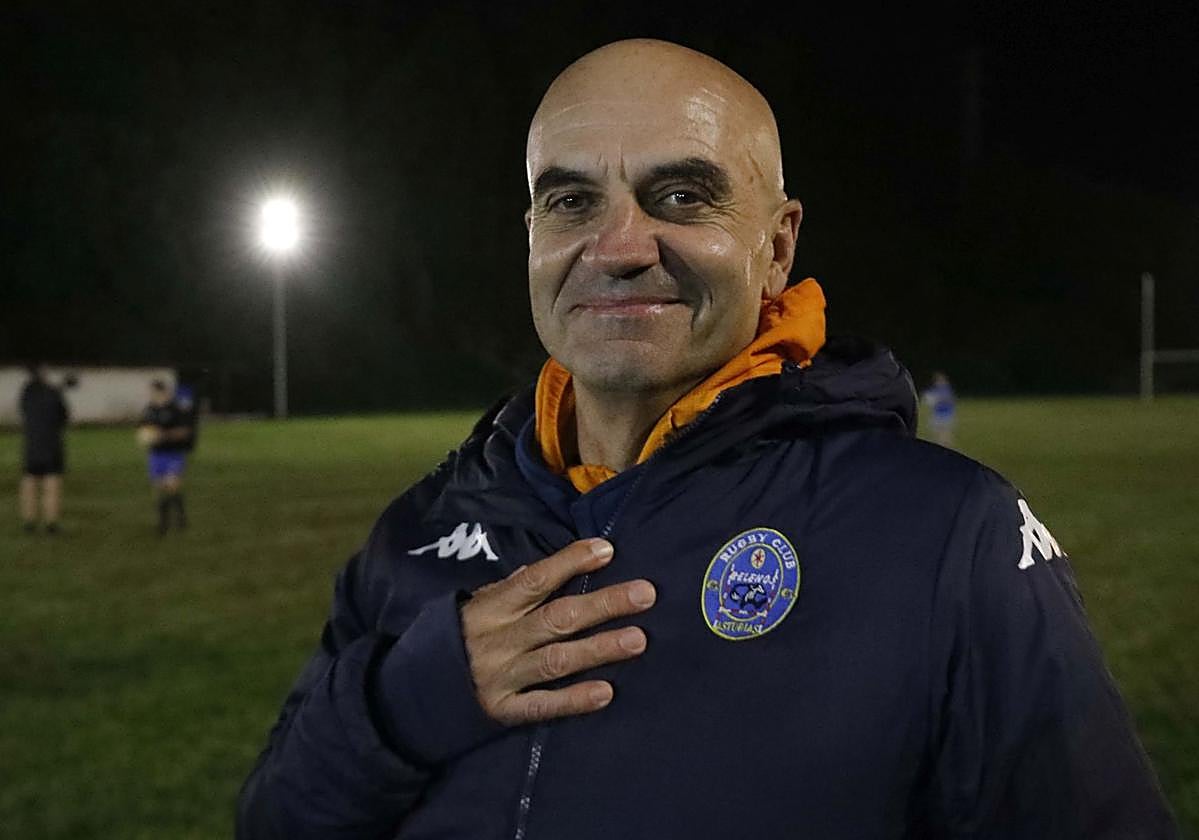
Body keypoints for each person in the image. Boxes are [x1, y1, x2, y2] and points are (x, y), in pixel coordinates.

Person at [238, 40, 1177, 838]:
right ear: (529, 237)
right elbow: (274, 819)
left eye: (681, 196)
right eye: (569, 202)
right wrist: (406, 703)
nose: (617, 247)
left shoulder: (944, 536)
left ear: (776, 246)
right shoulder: (420, 530)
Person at [137, 379, 196, 535]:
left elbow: (185, 431)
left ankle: (174, 520)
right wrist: (144, 436)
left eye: (153, 392)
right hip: (156, 455)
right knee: (159, 489)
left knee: (172, 485)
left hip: (174, 454)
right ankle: (165, 521)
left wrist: (163, 435)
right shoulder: (149, 410)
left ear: (162, 392)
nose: (150, 395)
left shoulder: (176, 409)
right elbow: (143, 429)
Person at [18, 364, 69, 534]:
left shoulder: (26, 394)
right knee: (51, 485)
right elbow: (64, 417)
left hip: (31, 446)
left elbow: (24, 413)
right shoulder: (53, 393)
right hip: (51, 445)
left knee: (29, 483)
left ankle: (29, 522)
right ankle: (51, 523)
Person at [922, 370, 957, 447]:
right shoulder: (936, 389)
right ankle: (941, 445)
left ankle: (945, 445)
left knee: (945, 432)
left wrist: (936, 400)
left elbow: (948, 400)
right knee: (938, 431)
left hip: (945, 413)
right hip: (938, 413)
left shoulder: (945, 389)